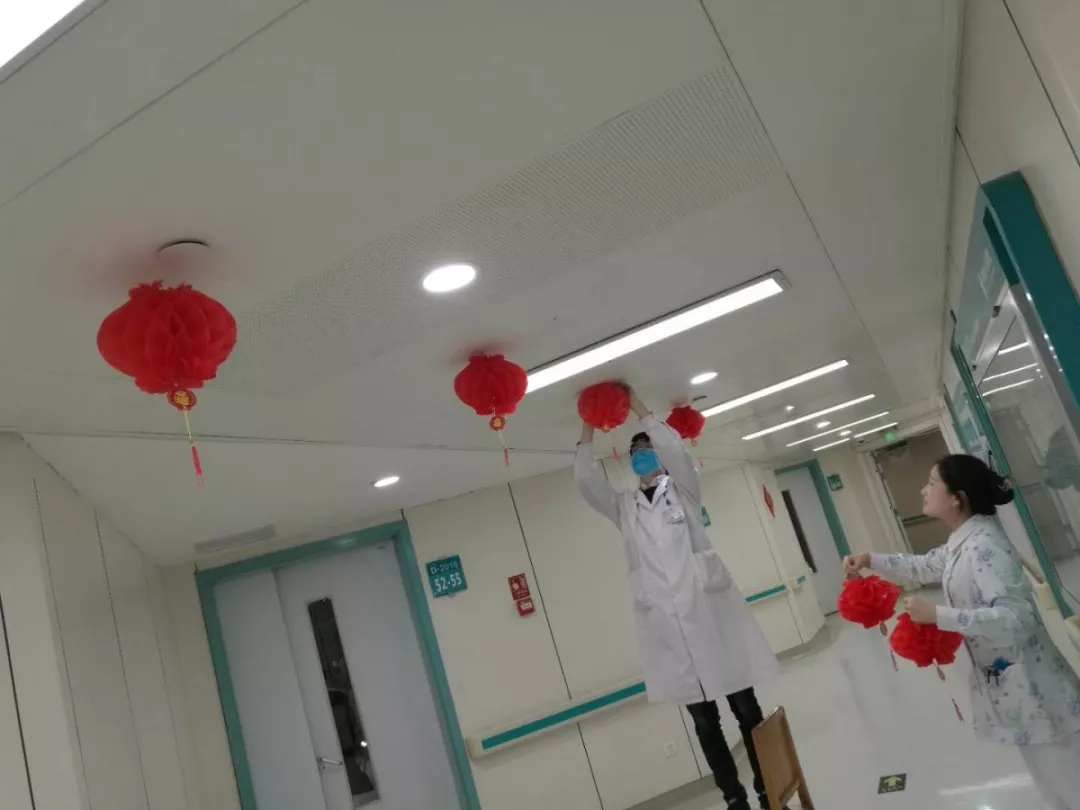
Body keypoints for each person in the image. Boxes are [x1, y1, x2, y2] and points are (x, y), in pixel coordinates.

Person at [575, 386, 780, 810]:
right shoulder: (625, 508)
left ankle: (769, 790)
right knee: (705, 725)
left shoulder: (683, 491)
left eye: (647, 449)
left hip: (715, 625)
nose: (642, 456)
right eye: (636, 452)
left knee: (747, 711)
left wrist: (636, 405)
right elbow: (588, 482)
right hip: (672, 635)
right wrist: (588, 427)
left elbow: (676, 450)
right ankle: (735, 799)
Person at [844, 454, 1080, 810]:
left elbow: (1017, 619)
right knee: (1054, 789)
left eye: (931, 483)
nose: (923, 490)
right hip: (1016, 690)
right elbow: (924, 566)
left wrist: (939, 615)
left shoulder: (984, 545)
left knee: (1069, 784)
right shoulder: (964, 540)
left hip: (1038, 690)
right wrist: (871, 559)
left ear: (958, 498)